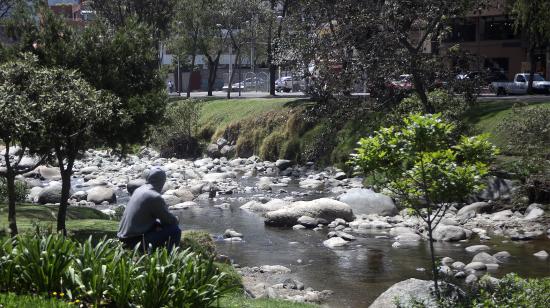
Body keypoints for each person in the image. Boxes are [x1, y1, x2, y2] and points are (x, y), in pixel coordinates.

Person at [118, 167, 181, 252]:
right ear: (162, 181)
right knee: (175, 230)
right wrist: (176, 219)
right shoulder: (154, 196)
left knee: (158, 225)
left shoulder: (139, 190)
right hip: (133, 242)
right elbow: (168, 221)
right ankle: (170, 258)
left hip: (122, 238)